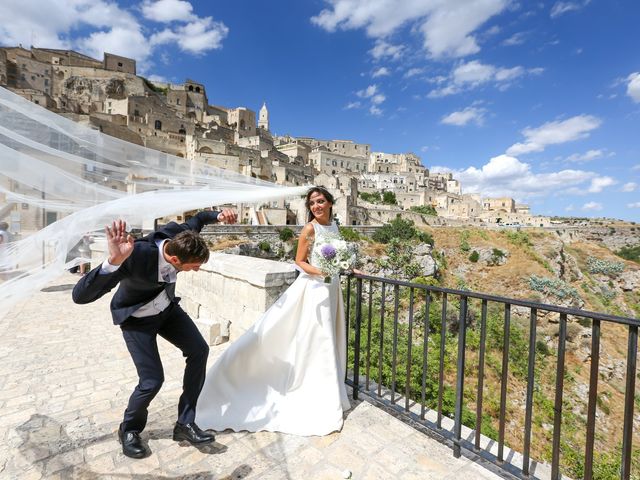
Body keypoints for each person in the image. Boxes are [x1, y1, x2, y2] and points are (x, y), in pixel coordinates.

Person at [72, 208, 237, 459]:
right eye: (193, 267)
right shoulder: (135, 256)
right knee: (151, 381)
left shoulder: (181, 236)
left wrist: (219, 216)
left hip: (167, 311)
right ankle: (129, 430)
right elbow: (80, 296)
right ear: (174, 260)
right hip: (137, 320)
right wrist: (113, 262)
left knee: (199, 350)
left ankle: (185, 423)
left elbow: (200, 217)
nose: (196, 270)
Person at [195, 187, 357, 436]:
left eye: (321, 201)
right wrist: (322, 271)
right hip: (315, 288)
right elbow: (300, 261)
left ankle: (326, 388)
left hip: (332, 288)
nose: (316, 206)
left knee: (327, 336)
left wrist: (347, 268)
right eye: (312, 203)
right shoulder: (310, 229)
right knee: (316, 338)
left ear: (331, 203)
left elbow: (339, 254)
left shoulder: (335, 226)